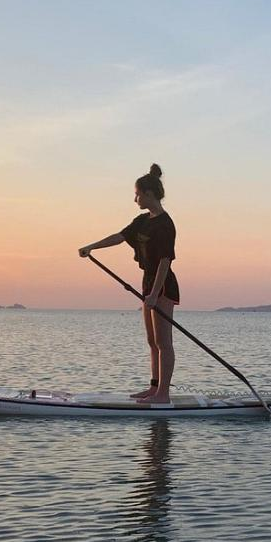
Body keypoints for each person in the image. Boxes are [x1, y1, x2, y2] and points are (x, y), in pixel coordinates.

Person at [78, 164, 179, 403]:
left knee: (164, 342)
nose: (135, 199)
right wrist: (92, 246)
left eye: (138, 194)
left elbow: (166, 260)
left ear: (149, 194)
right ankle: (154, 388)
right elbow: (120, 237)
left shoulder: (166, 224)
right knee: (152, 341)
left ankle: (163, 394)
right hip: (147, 282)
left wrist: (155, 294)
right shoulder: (142, 221)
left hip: (162, 284)